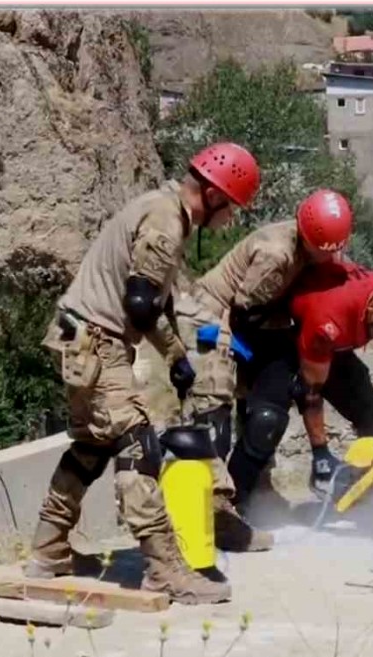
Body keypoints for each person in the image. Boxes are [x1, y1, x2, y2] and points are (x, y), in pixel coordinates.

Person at [25, 142, 260, 605]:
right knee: (137, 446)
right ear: (212, 194)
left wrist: (176, 359)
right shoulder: (166, 221)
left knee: (92, 447)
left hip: (81, 339)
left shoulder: (160, 210)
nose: (230, 220)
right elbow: (139, 302)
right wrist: (174, 354)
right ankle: (164, 569)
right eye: (231, 208)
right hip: (97, 341)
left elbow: (152, 302)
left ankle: (48, 549)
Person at [174, 189, 354, 544]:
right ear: (310, 237)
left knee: (266, 410)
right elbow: (245, 311)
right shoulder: (277, 254)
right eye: (327, 250)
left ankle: (256, 489)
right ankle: (214, 512)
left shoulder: (314, 244)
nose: (331, 256)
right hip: (211, 318)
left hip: (251, 323)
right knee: (214, 408)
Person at [224, 260, 373, 505]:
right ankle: (232, 504)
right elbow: (310, 391)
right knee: (267, 422)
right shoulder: (331, 314)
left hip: (332, 341)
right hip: (281, 334)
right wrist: (320, 454)